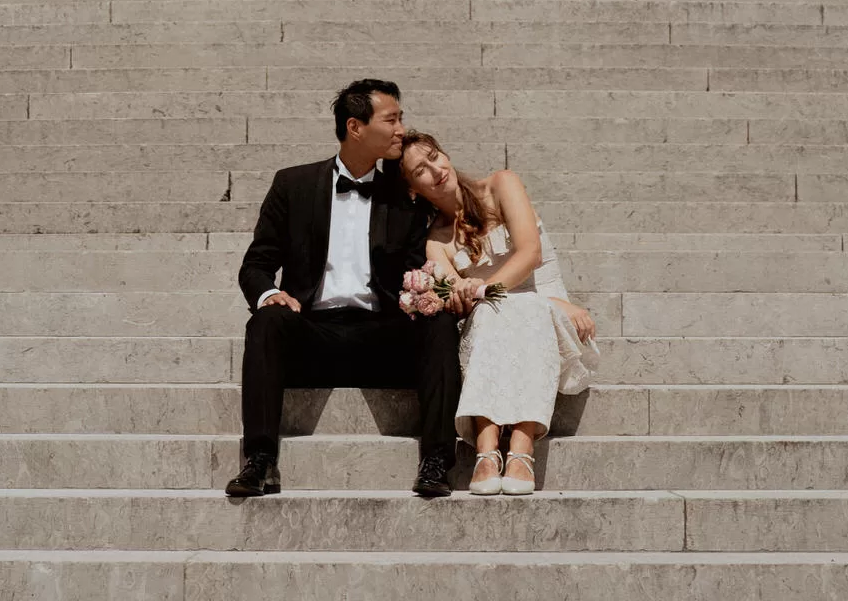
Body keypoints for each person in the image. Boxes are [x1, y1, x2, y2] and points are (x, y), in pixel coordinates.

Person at [229, 78, 462, 500]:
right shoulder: (293, 186)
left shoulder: (404, 198)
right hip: (313, 334)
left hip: (382, 337)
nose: (400, 131)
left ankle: (436, 461)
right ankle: (260, 459)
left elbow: (417, 267)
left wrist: (434, 293)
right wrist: (268, 294)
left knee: (439, 323)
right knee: (266, 320)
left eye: (400, 119)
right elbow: (256, 265)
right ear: (356, 127)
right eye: (391, 120)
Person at [396, 129, 600, 495]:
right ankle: (487, 452)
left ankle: (521, 449)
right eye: (420, 170)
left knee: (527, 308)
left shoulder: (502, 184)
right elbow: (460, 299)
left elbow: (529, 254)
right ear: (413, 189)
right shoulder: (436, 242)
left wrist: (546, 302)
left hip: (544, 309)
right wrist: (463, 294)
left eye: (435, 156)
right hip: (493, 322)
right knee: (493, 312)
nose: (436, 169)